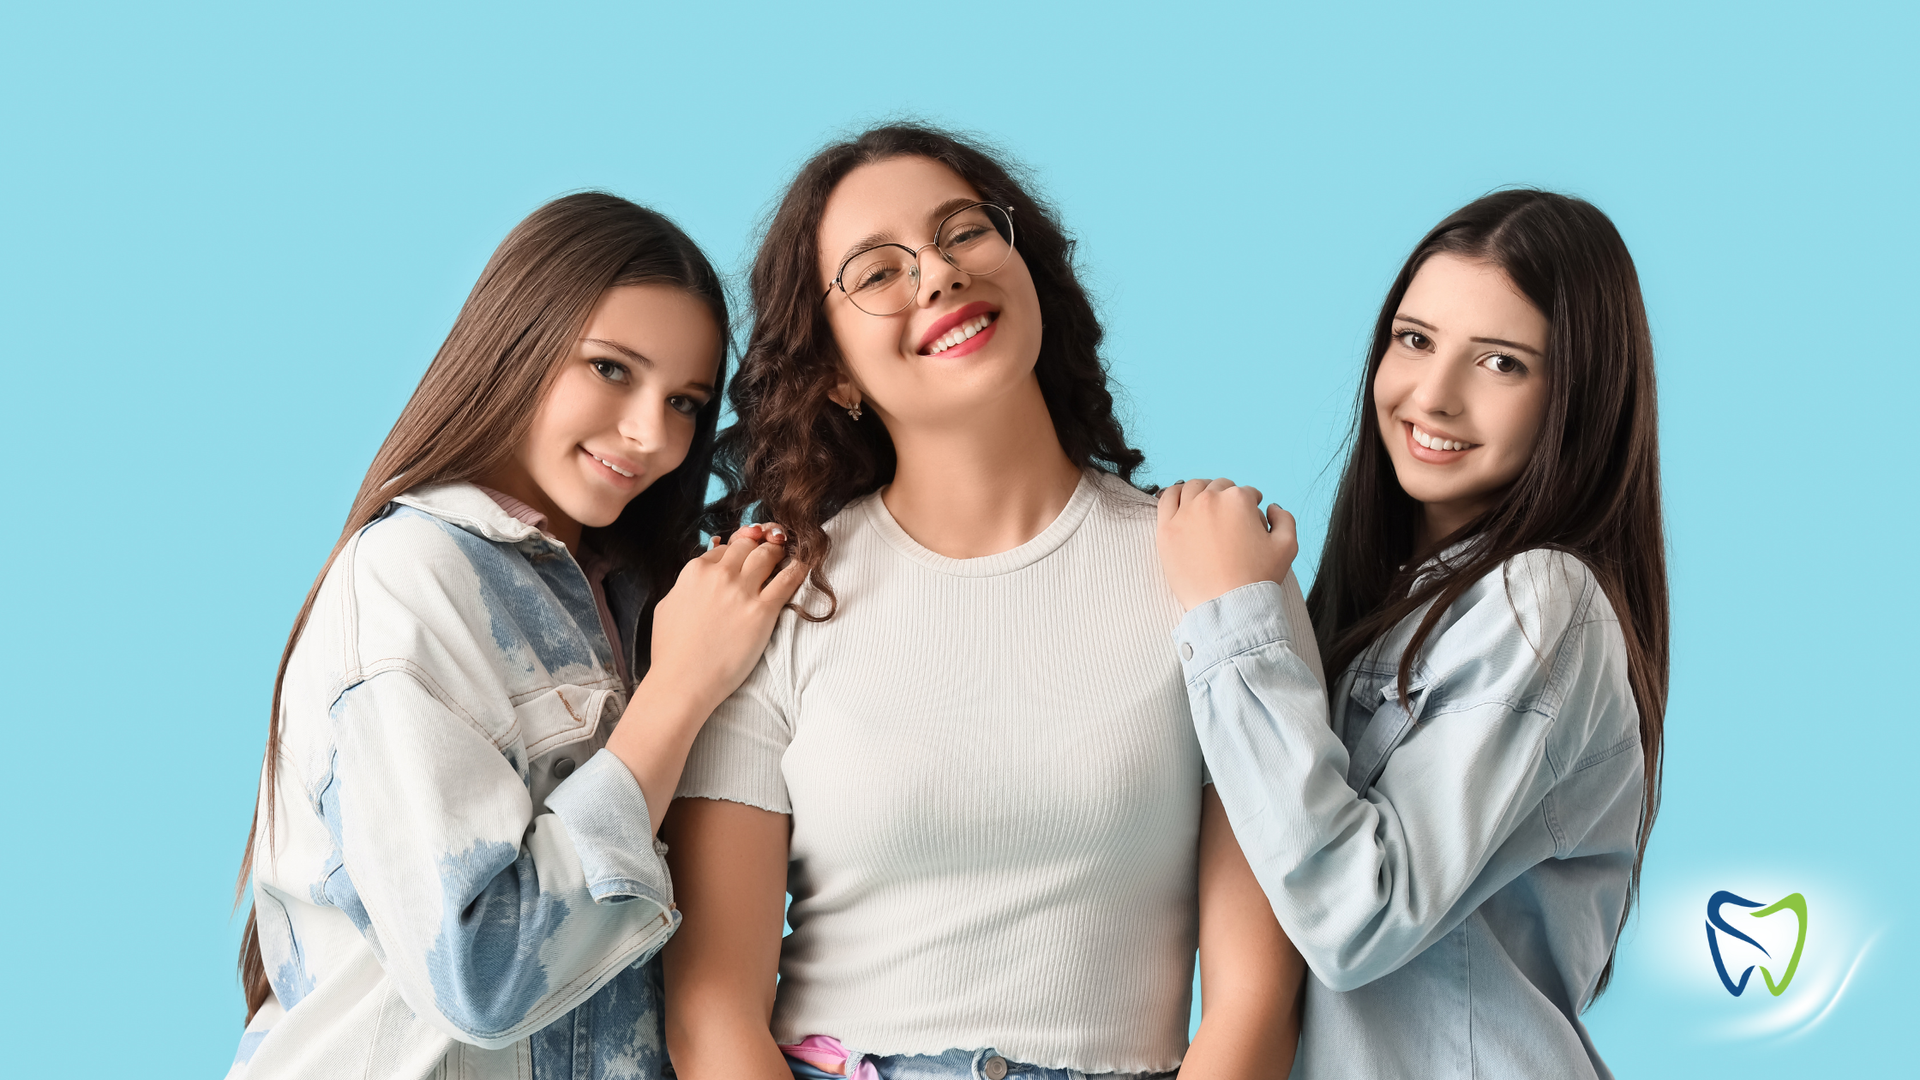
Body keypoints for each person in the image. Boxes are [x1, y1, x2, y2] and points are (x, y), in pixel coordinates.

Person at [660, 124, 1317, 1080]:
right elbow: (710, 1014)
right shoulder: (775, 601)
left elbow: (1258, 1002)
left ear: (1027, 267)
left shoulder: (1216, 569)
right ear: (833, 370)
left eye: (963, 231)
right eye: (877, 272)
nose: (937, 274)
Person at [227, 192, 806, 1079]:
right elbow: (483, 974)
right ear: (516, 343)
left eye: (686, 402)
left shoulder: (645, 597)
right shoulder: (411, 577)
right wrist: (680, 690)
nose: (652, 434)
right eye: (611, 368)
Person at [1156, 190, 1666, 1079]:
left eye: (1501, 363)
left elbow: (1358, 917)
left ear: (1578, 399)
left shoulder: (1542, 603)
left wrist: (1232, 613)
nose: (1433, 395)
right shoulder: (1387, 605)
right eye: (1415, 339)